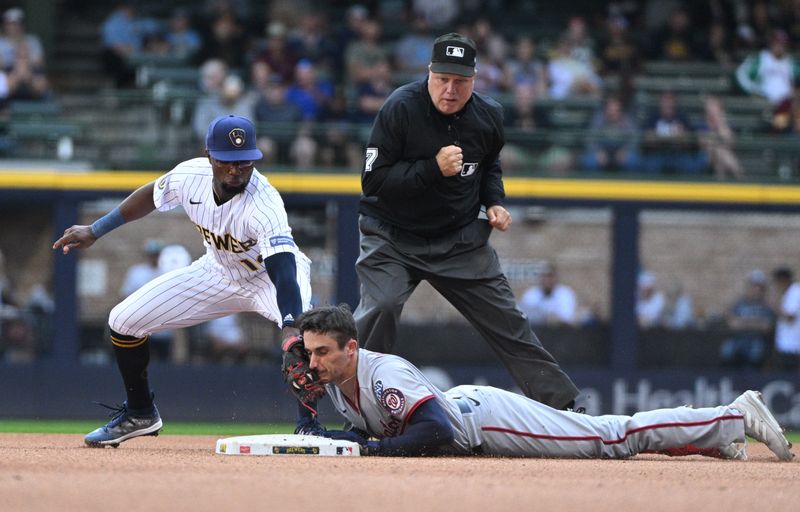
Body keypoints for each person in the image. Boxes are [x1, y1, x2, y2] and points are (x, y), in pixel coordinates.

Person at [53, 114, 312, 447]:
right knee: (123, 320)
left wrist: (290, 322)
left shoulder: (265, 204)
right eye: (227, 161)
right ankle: (140, 413)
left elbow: (283, 268)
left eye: (244, 162)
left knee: (306, 332)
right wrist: (95, 230)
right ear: (209, 155)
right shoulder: (190, 175)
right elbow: (149, 196)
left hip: (267, 279)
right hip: (216, 272)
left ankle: (309, 424)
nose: (236, 170)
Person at [353, 33, 580, 411]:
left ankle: (567, 410)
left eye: (460, 81)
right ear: (428, 73)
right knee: (381, 308)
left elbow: (489, 165)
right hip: (392, 237)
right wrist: (432, 169)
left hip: (458, 241)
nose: (450, 89)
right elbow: (373, 182)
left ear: (475, 79)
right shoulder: (400, 108)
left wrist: (493, 201)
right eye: (442, 78)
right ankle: (358, 411)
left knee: (510, 324)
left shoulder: (488, 115)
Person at [295, 304, 793, 461]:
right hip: (472, 420)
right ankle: (714, 438)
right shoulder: (339, 384)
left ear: (351, 348)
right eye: (309, 351)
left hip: (485, 420)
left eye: (321, 352)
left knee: (609, 438)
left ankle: (732, 415)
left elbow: (435, 433)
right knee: (609, 435)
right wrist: (322, 429)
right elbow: (365, 435)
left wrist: (360, 449)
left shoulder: (383, 375)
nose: (312, 362)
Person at [720, 269, 775, 368]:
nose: (756, 290)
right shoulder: (739, 304)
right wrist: (756, 323)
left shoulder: (766, 306)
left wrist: (743, 322)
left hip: (757, 340)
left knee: (756, 352)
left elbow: (767, 327)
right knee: (727, 350)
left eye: (759, 287)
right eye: (754, 286)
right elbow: (732, 324)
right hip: (738, 339)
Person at [518, 262, 578, 327]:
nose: (547, 280)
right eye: (544, 276)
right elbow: (525, 316)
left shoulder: (565, 293)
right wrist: (544, 317)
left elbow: (568, 317)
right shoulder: (531, 294)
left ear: (555, 277)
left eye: (550, 276)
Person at [771, 266, 800, 371]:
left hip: (793, 345)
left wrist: (774, 306)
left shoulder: (795, 292)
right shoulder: (788, 293)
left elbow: (790, 316)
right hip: (786, 344)